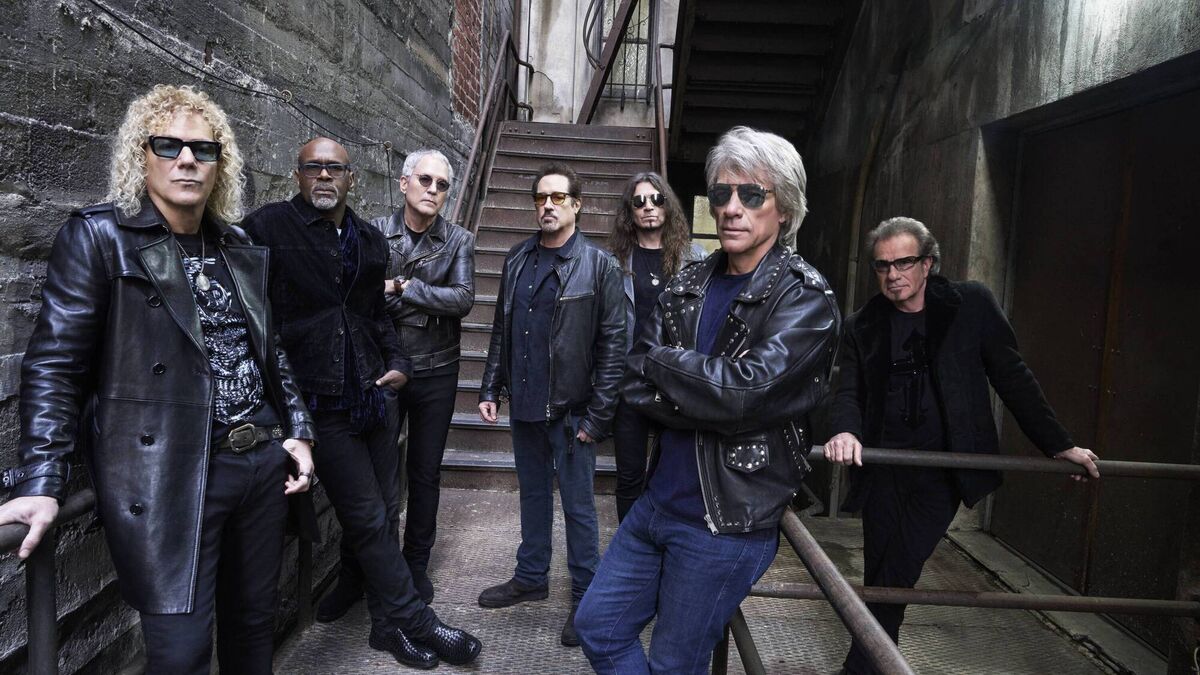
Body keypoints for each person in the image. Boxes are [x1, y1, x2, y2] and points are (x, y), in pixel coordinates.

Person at [0, 85, 315, 674]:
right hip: (171, 471)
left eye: (203, 149)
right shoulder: (99, 236)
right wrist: (42, 479)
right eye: (168, 145)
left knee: (254, 630)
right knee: (180, 652)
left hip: (259, 464)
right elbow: (54, 366)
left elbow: (269, 348)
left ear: (221, 164)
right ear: (140, 155)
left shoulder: (237, 243)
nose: (187, 159)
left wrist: (296, 428)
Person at [575, 126, 841, 673]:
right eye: (722, 193)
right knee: (597, 627)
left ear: (784, 209)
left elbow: (743, 393)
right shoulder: (690, 280)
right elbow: (634, 378)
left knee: (675, 663)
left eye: (752, 194)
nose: (732, 208)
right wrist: (713, 395)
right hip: (657, 502)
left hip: (725, 521)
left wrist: (670, 367)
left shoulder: (805, 297)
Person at [242, 138, 481, 669]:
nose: (325, 176)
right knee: (369, 517)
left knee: (386, 508)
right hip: (319, 402)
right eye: (314, 167)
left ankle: (384, 626)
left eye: (336, 168)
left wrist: (397, 361)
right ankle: (416, 620)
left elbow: (376, 313)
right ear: (298, 174)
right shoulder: (269, 227)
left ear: (352, 178)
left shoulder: (368, 240)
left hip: (372, 395)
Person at [824, 216, 1100, 675]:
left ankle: (860, 669)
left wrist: (1058, 444)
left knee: (898, 571)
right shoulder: (862, 324)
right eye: (882, 265)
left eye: (904, 262)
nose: (892, 274)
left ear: (928, 263)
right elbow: (848, 391)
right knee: (881, 577)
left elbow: (1012, 376)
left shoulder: (970, 304)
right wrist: (845, 431)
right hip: (883, 468)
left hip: (943, 471)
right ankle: (876, 666)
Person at [477, 163, 627, 647]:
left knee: (580, 509)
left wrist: (598, 417)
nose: (548, 205)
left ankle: (585, 597)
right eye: (541, 198)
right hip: (525, 403)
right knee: (533, 495)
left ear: (577, 205)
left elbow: (614, 348)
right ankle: (531, 577)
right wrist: (490, 388)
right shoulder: (517, 258)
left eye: (558, 198)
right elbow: (501, 328)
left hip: (572, 411)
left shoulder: (599, 266)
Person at [367, 148, 474, 605]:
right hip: (385, 369)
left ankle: (415, 565)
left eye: (442, 185)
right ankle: (370, 569)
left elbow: (462, 299)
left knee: (424, 473)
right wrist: (418, 297)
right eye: (425, 180)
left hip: (437, 371)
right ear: (404, 183)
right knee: (377, 476)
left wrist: (404, 287)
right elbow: (363, 296)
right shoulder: (375, 232)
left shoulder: (459, 240)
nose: (433, 190)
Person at [607, 172, 706, 522]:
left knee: (673, 474)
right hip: (630, 380)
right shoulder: (615, 261)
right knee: (629, 475)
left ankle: (663, 541)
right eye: (639, 201)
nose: (648, 207)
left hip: (675, 379)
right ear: (629, 211)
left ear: (668, 205)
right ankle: (628, 545)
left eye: (656, 199)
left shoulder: (694, 258)